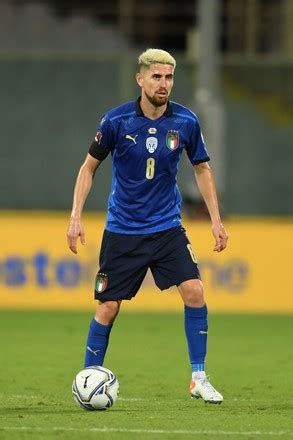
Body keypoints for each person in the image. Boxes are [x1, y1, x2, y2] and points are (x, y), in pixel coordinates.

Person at [67, 48, 228, 404]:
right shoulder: (116, 121)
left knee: (195, 291)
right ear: (140, 79)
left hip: (167, 228)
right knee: (108, 307)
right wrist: (76, 216)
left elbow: (202, 168)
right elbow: (88, 167)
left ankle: (198, 377)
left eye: (169, 77)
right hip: (123, 230)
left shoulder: (185, 121)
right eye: (156, 76)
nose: (164, 84)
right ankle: (87, 377)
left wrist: (215, 219)